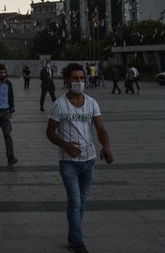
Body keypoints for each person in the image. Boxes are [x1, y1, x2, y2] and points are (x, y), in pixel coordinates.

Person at [46, 63, 113, 253]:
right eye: (75, 78)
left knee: (82, 202)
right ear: (67, 80)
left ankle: (72, 235)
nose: (79, 82)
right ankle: (78, 242)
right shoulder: (59, 104)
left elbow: (100, 128)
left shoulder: (92, 103)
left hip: (89, 160)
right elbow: (50, 132)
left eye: (82, 78)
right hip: (68, 162)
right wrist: (65, 144)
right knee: (75, 201)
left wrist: (106, 146)